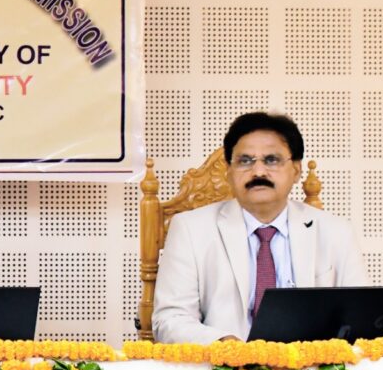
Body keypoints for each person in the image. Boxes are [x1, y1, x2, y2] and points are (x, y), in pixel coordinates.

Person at [152, 111, 369, 344]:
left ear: (296, 171)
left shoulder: (336, 232)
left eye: (271, 160)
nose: (258, 172)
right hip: (225, 362)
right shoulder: (190, 229)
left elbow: (361, 316)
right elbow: (170, 319)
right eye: (245, 161)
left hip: (310, 363)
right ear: (228, 172)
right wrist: (221, 342)